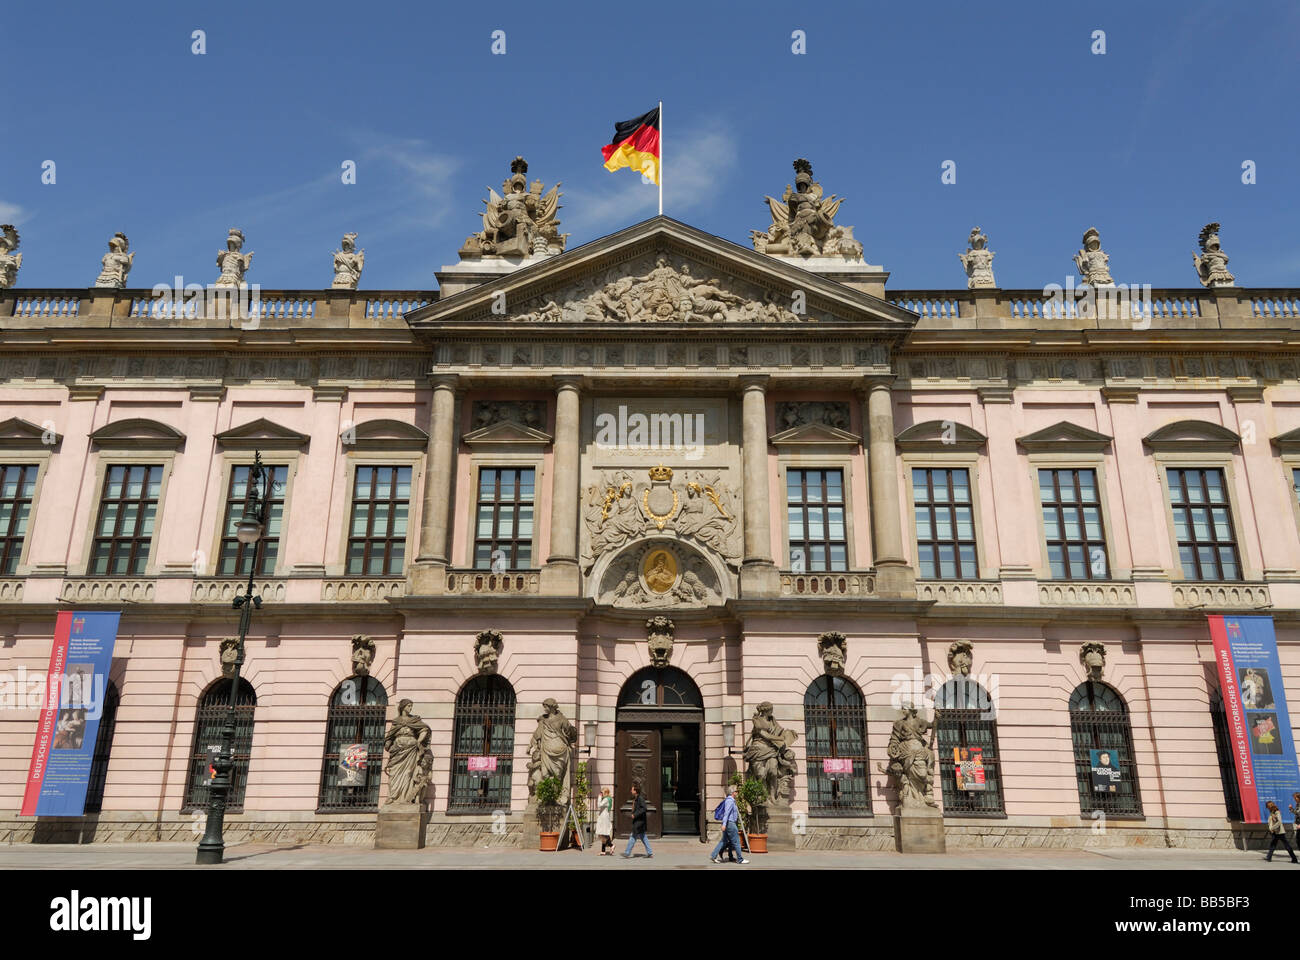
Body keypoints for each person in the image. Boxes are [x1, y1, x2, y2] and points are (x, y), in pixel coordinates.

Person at [710, 784, 748, 864]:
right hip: (730, 823)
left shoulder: (730, 800)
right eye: (736, 791)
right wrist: (724, 824)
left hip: (729, 823)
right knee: (736, 841)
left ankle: (714, 855)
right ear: (733, 792)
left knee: (723, 841)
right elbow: (726, 813)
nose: (737, 793)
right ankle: (740, 859)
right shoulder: (730, 801)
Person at [621, 783, 653, 858]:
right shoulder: (636, 798)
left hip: (639, 821)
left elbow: (644, 808)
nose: (630, 791)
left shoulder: (640, 798)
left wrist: (635, 814)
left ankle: (627, 852)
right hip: (639, 821)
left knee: (633, 836)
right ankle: (649, 852)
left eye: (632, 790)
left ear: (635, 791)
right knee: (643, 837)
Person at [595, 787, 614, 856]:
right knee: (603, 833)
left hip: (604, 817)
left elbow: (599, 805)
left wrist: (599, 797)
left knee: (602, 833)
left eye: (602, 792)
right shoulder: (607, 799)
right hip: (604, 817)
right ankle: (603, 851)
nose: (601, 794)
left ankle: (611, 845)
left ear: (605, 793)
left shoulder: (606, 799)